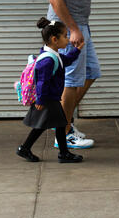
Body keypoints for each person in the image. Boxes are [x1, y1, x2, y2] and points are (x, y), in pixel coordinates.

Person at [47, 0, 110, 149]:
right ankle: (62, 133)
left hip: (78, 27)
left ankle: (64, 120)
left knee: (91, 72)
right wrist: (73, 30)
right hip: (69, 31)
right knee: (71, 81)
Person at [16, 17, 84, 163]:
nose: (67, 39)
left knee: (57, 124)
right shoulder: (47, 60)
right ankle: (27, 148)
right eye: (65, 36)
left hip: (51, 98)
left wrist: (76, 50)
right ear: (55, 39)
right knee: (46, 125)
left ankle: (60, 153)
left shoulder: (54, 55)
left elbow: (66, 61)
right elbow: (42, 82)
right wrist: (40, 99)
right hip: (47, 99)